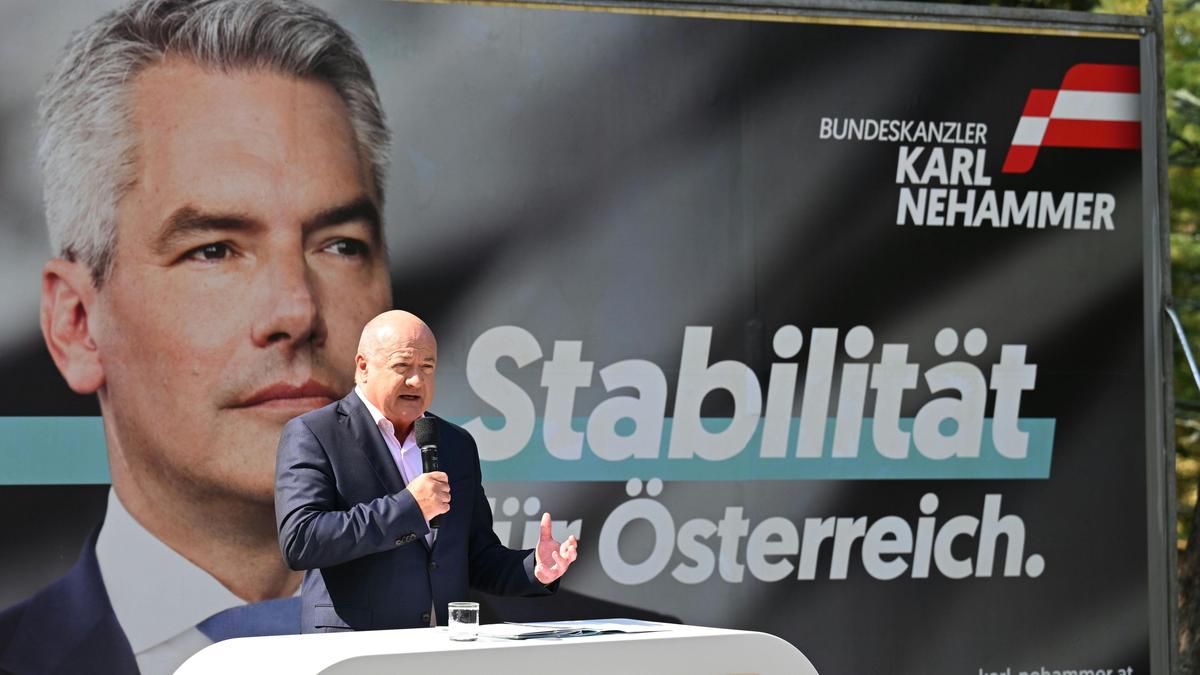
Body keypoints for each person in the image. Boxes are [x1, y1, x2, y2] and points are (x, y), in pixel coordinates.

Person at [0, 1, 394, 672]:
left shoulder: (613, 653)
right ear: (75, 326)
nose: (298, 310)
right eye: (214, 250)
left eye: (340, 245)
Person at [276, 310, 578, 632]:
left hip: (441, 650)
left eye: (427, 367)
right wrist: (409, 508)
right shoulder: (315, 433)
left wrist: (535, 569)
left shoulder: (455, 444)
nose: (416, 380)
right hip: (355, 651)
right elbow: (301, 540)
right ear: (363, 367)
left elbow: (474, 556)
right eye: (402, 366)